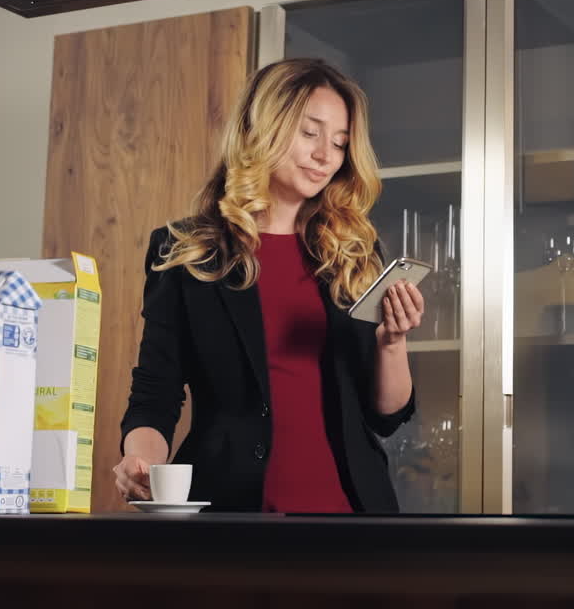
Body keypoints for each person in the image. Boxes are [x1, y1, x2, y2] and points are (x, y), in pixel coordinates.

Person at [112, 58, 422, 513]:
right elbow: (156, 392)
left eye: (339, 143)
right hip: (229, 514)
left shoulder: (353, 252)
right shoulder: (185, 250)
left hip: (351, 517)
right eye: (310, 133)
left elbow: (387, 416)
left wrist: (392, 342)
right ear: (262, 129)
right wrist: (140, 461)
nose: (326, 156)